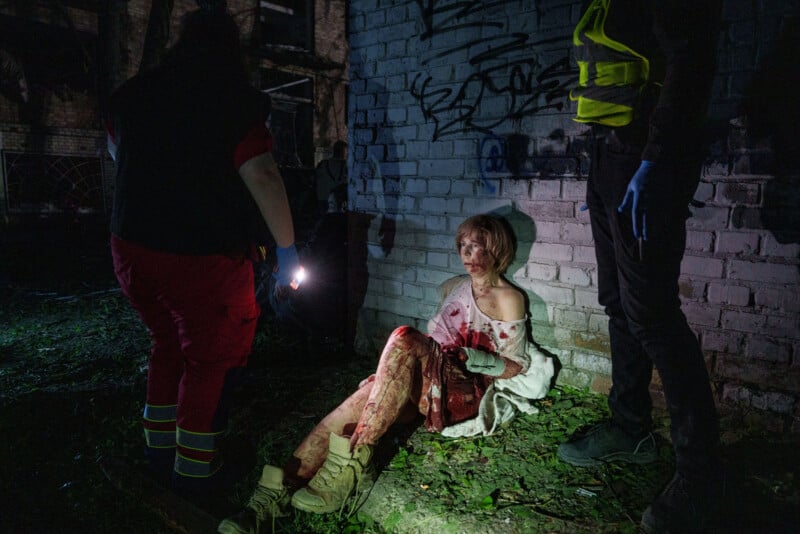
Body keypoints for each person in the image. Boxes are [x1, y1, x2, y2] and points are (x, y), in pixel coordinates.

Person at [217, 214, 554, 533]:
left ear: (497, 249)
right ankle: (269, 501)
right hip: (431, 381)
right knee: (363, 398)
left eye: (477, 246)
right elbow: (434, 347)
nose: (467, 254)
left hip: (462, 393)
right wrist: (389, 377)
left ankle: (351, 464)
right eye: (463, 246)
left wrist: (475, 358)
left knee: (404, 336)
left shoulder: (509, 298)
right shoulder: (453, 286)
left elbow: (516, 366)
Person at [106, 2, 299, 503]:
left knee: (167, 343)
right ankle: (194, 473)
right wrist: (288, 250)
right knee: (210, 358)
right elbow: (262, 175)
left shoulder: (132, 96)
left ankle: (158, 452)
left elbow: (117, 153)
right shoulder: (234, 102)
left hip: (132, 248)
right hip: (200, 256)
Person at [558, 1, 723, 532]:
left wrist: (655, 159)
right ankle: (630, 428)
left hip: (644, 157)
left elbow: (692, 61)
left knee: (653, 315)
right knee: (618, 303)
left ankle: (701, 475)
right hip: (610, 156)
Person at [314, 140, 347, 215]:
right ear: (343, 152)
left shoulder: (322, 163)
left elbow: (316, 179)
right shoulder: (345, 165)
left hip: (321, 197)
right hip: (334, 198)